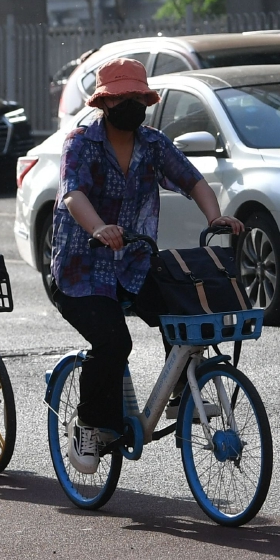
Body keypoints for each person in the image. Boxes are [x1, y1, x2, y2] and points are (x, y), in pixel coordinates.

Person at [49, 58, 240, 472]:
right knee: (114, 343)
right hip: (81, 271)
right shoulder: (81, 142)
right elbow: (72, 194)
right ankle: (88, 424)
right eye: (122, 98)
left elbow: (193, 181)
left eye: (138, 97)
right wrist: (99, 228)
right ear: (104, 102)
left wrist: (215, 218)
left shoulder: (153, 143)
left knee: (185, 309)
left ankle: (181, 394)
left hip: (134, 263)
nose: (131, 105)